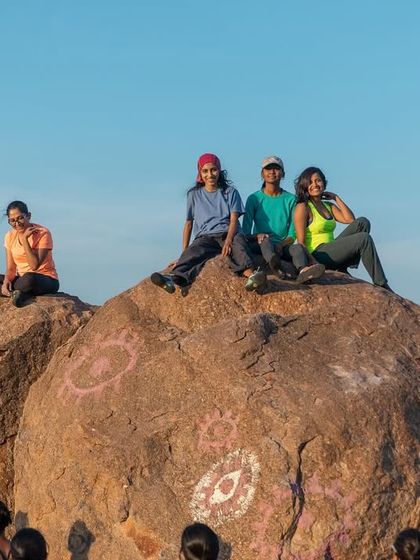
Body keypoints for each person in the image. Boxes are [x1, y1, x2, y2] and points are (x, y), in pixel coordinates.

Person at [151, 153, 265, 293]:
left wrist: (229, 240)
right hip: (206, 236)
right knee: (194, 252)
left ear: (219, 171)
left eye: (213, 170)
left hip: (228, 232)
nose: (210, 174)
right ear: (200, 173)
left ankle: (251, 276)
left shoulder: (230, 192)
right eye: (205, 171)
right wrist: (183, 254)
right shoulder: (193, 195)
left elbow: (234, 219)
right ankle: (172, 279)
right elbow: (188, 224)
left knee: (238, 246)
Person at [294, 166, 392, 290]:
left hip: (332, 249)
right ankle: (381, 283)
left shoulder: (328, 206)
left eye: (318, 180)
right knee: (364, 239)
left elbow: (350, 220)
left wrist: (336, 198)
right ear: (304, 186)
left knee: (363, 222)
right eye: (310, 182)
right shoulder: (303, 207)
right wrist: (312, 262)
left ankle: (342, 266)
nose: (315, 184)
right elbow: (300, 243)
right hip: (318, 253)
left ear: (323, 182)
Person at [243, 156, 325, 284]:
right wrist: (257, 236)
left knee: (297, 248)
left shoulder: (291, 199)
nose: (272, 172)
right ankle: (275, 266)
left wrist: (281, 245)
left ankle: (303, 271)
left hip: (282, 245)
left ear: (283, 173)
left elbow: (293, 233)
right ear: (262, 173)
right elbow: (246, 231)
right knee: (265, 242)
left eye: (276, 168)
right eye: (268, 169)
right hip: (260, 244)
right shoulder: (254, 198)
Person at [0, 201, 59, 308]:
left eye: (20, 218)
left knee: (29, 279)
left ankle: (17, 292)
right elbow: (11, 268)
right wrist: (6, 281)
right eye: (12, 221)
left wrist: (24, 240)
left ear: (28, 215)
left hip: (44, 279)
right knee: (8, 279)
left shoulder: (43, 233)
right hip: (21, 280)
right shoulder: (9, 236)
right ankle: (17, 293)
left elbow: (34, 266)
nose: (17, 224)